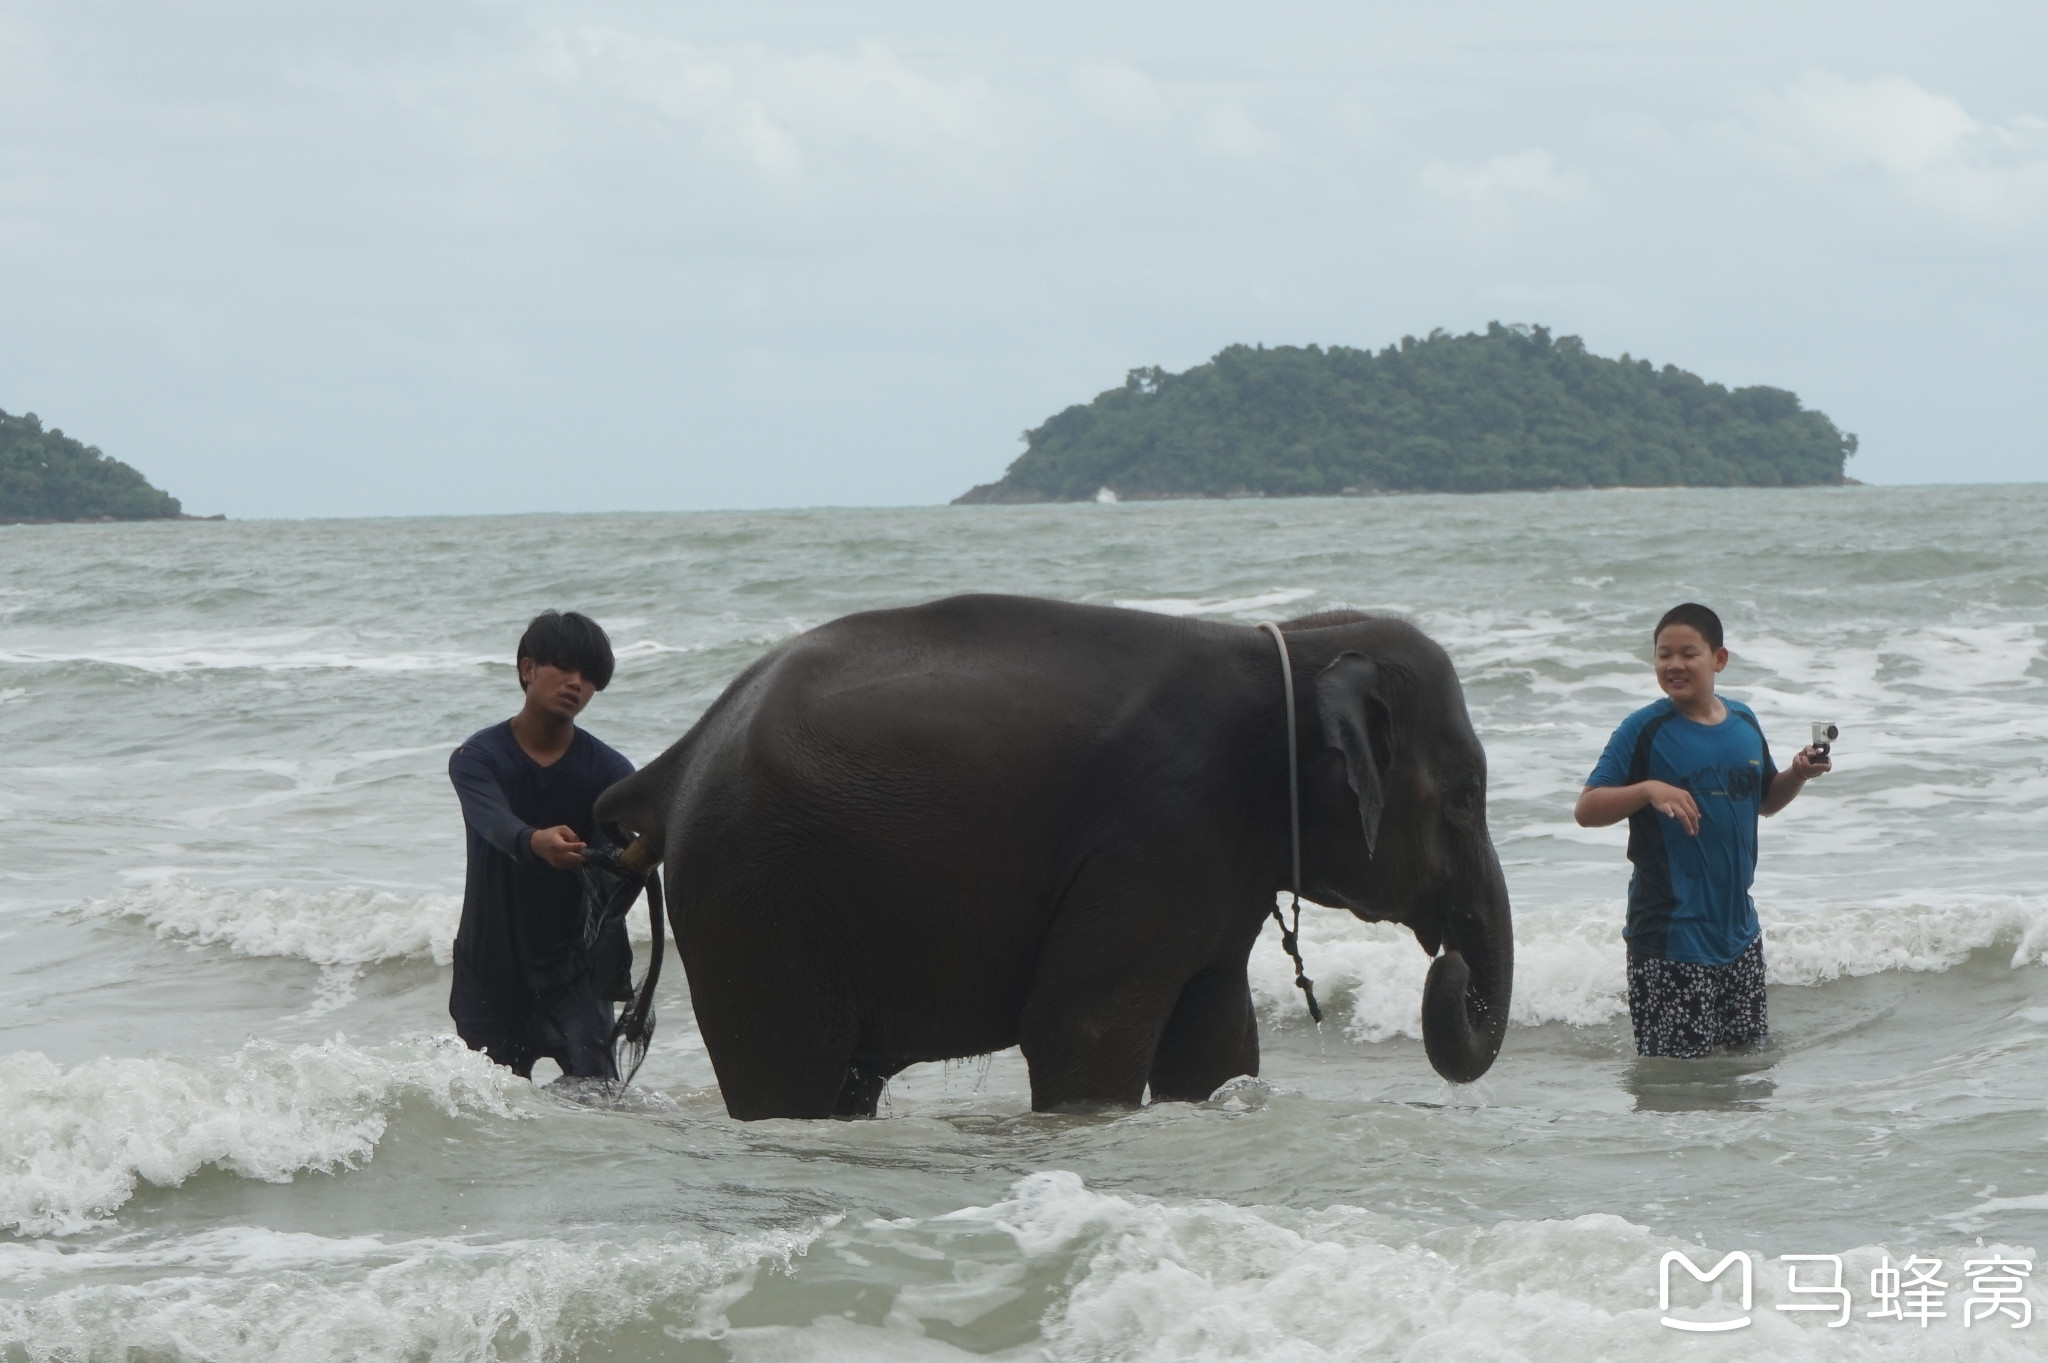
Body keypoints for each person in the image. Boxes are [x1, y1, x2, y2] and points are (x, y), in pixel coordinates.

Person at [1574, 603, 1830, 1058]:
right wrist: (1648, 789)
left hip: (1739, 937)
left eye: (1688, 653)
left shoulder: (1745, 723)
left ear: (1719, 659)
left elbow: (1764, 802)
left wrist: (1796, 775)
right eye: (1663, 654)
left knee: (1746, 1077)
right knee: (1678, 1093)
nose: (1674, 664)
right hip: (1670, 941)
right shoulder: (1643, 730)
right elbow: (1587, 809)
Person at [448, 610, 635, 1079]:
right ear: (527, 669)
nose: (577, 683)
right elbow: (493, 822)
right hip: (489, 971)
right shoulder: (477, 759)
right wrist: (535, 841)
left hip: (574, 974)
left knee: (600, 1109)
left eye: (590, 676)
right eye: (564, 667)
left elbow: (630, 855)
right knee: (494, 1117)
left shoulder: (610, 772)